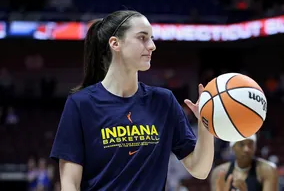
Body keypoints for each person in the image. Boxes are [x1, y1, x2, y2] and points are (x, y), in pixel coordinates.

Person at [49, 10, 214, 191]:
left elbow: (200, 170)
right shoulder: (80, 104)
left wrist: (205, 124)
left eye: (151, 38)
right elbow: (69, 183)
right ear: (115, 43)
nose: (152, 46)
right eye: (142, 38)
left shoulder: (164, 101)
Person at [210, 134, 278, 191]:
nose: (246, 149)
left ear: (255, 146)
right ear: (233, 147)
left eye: (250, 144)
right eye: (241, 144)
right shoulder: (218, 172)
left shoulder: (267, 170)